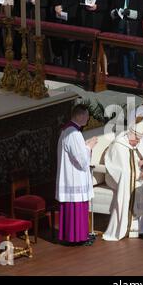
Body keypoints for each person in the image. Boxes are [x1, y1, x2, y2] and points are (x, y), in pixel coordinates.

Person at [102, 116, 143, 241]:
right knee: (135, 190)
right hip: (117, 179)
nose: (138, 142)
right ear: (130, 134)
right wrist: (137, 175)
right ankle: (129, 228)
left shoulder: (137, 143)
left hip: (134, 177)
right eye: (136, 139)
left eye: (139, 139)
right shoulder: (118, 145)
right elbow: (120, 170)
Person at [56, 104, 98, 245]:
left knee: (74, 209)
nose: (88, 118)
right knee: (76, 208)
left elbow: (75, 153)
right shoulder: (73, 133)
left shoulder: (67, 131)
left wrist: (84, 145)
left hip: (71, 177)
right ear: (79, 116)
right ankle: (77, 238)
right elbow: (82, 160)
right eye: (86, 115)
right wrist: (89, 146)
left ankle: (79, 236)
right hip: (74, 178)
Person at [110, 0, 143, 79]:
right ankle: (124, 75)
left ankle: (133, 75)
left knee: (132, 53)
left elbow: (141, 14)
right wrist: (115, 13)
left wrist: (129, 12)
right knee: (122, 51)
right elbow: (111, 10)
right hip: (121, 27)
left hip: (133, 29)